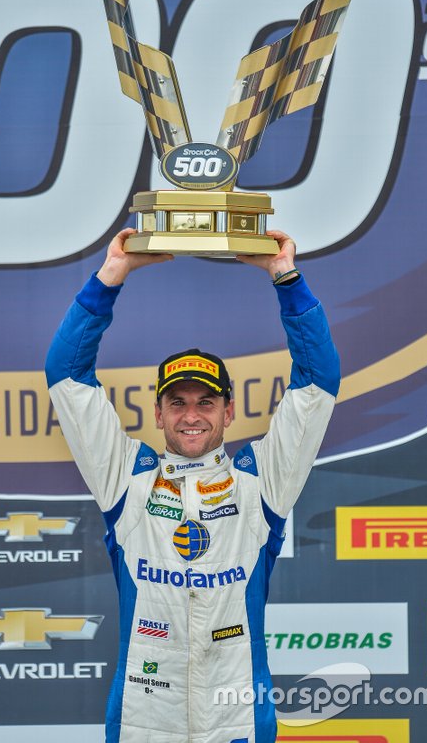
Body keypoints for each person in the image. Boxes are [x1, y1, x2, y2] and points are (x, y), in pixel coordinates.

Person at [45, 228, 340, 743]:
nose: (191, 416)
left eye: (205, 402)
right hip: (143, 713)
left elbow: (316, 385)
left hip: (237, 714)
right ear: (157, 413)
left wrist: (285, 278)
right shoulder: (127, 478)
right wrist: (110, 277)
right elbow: (67, 378)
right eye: (177, 402)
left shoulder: (259, 482)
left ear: (229, 411)